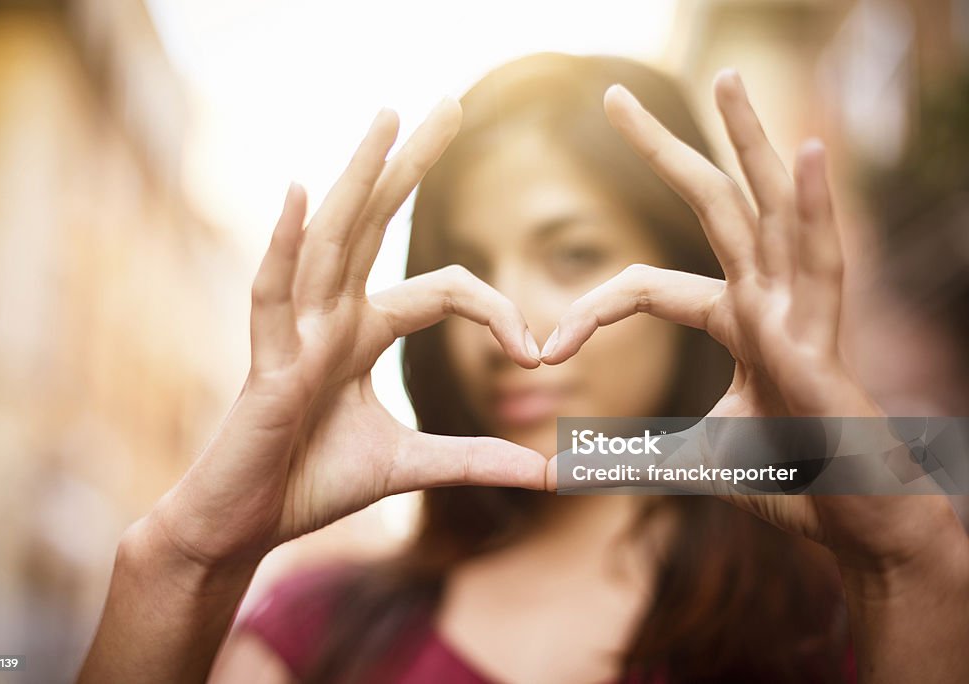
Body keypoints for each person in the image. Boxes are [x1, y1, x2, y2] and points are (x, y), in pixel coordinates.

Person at [78, 54, 968, 684]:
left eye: (574, 254)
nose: (499, 324)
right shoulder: (318, 629)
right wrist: (184, 559)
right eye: (466, 266)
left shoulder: (848, 623)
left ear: (689, 280)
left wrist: (906, 568)